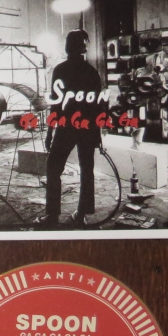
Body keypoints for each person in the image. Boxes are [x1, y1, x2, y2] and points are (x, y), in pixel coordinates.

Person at [37, 29, 106, 228]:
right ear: (83, 48)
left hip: (66, 128)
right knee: (87, 171)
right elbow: (98, 108)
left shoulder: (60, 70)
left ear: (68, 47)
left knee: (53, 169)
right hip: (87, 129)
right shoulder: (92, 72)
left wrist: (50, 132)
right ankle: (81, 214)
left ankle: (52, 216)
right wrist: (97, 135)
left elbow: (56, 105)